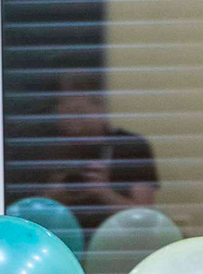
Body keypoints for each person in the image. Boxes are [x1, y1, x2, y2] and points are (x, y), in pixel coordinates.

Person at [24, 71, 161, 235]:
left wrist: (103, 192)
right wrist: (52, 197)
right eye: (65, 111)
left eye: (78, 112)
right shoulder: (45, 149)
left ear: (100, 109)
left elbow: (145, 217)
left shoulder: (130, 147)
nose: (73, 122)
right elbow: (26, 219)